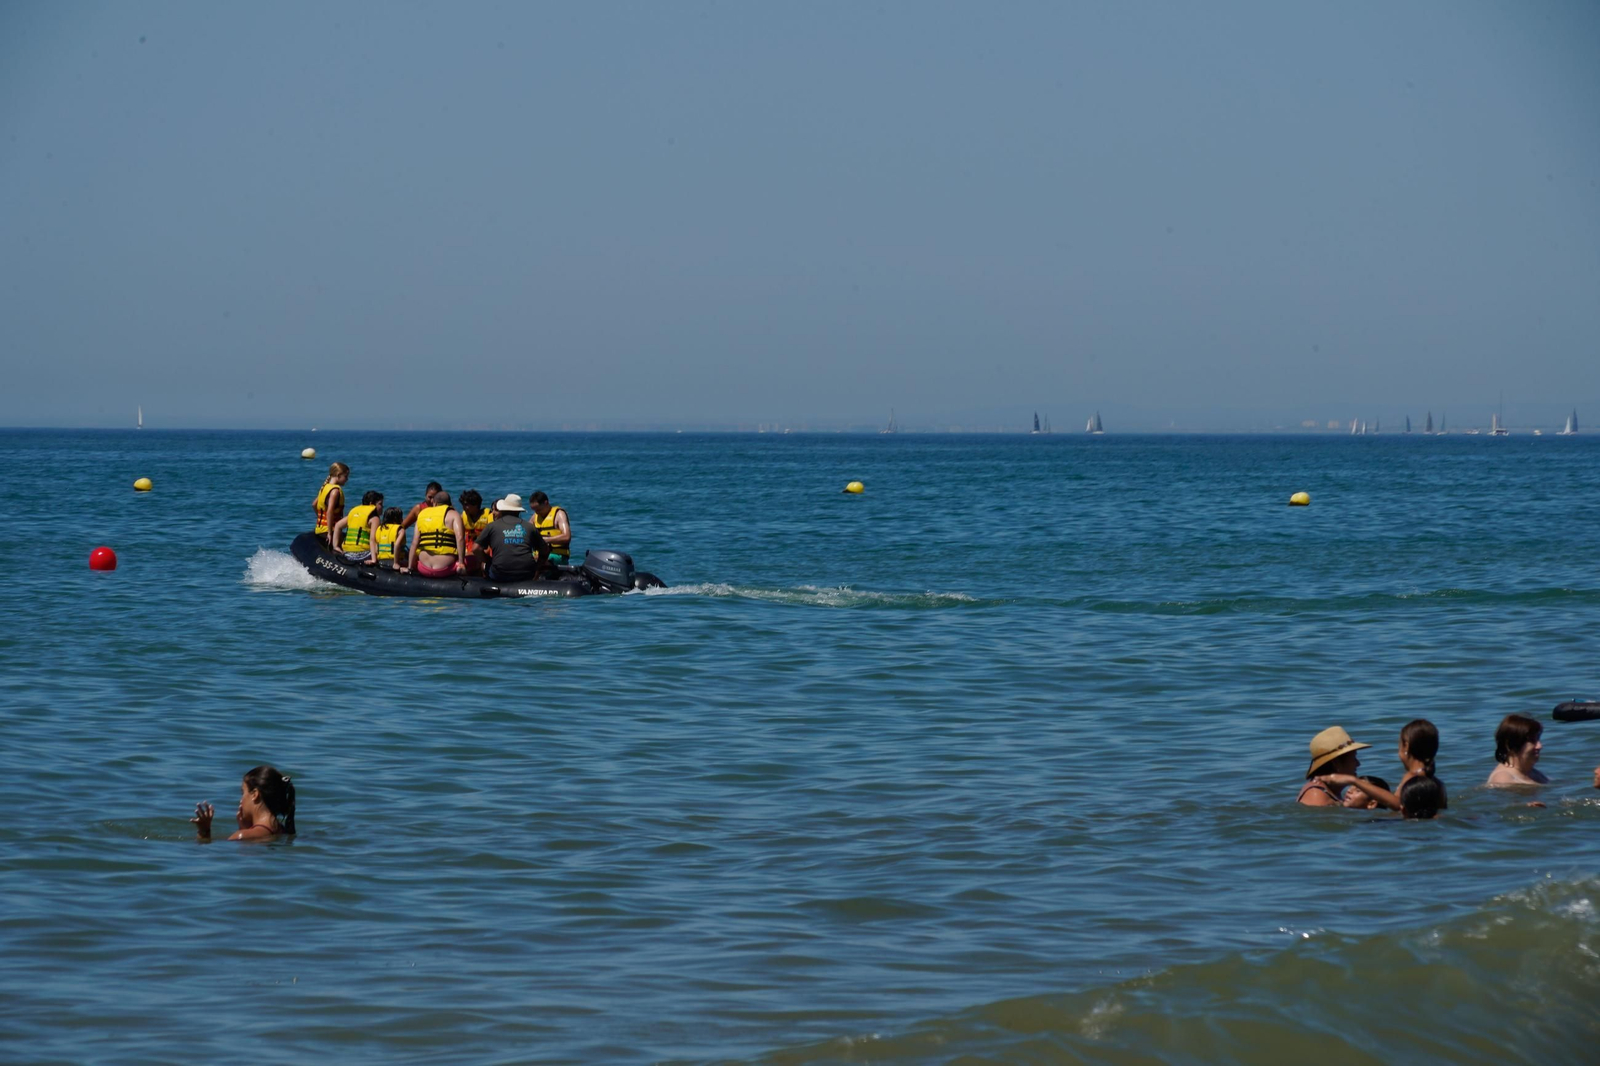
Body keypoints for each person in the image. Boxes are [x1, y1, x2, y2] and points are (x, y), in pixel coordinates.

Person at [1330, 719, 1447, 812]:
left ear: (1406, 746)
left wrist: (1354, 781)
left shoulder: (1411, 777)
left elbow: (1397, 804)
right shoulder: (1438, 783)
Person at [191, 765, 296, 841]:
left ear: (255, 794)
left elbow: (209, 859)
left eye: (243, 793)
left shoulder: (241, 836)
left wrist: (204, 832)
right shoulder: (283, 831)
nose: (241, 800)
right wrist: (245, 829)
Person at [474, 494, 552, 581]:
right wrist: (537, 569)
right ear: (519, 511)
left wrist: (489, 561)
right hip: (527, 573)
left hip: (500, 573)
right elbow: (545, 550)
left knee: (484, 566)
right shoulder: (530, 527)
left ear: (502, 509)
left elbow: (476, 548)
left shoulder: (491, 526)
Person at [1298, 726, 1370, 806]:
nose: (1358, 763)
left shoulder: (1330, 792)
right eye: (1353, 758)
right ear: (1337, 763)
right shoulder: (1317, 795)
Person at [403, 490, 466, 578]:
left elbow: (414, 543)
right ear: (449, 503)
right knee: (473, 561)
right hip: (445, 568)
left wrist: (409, 567)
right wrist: (461, 563)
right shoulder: (454, 515)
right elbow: (460, 538)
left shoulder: (422, 514)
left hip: (423, 568)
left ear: (434, 502)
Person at [1487, 713, 1548, 786]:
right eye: (1532, 741)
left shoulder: (1532, 773)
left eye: (1538, 739)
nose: (1539, 746)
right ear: (1512, 744)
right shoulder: (1503, 779)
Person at [331, 490, 383, 561]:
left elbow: (337, 526)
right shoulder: (375, 518)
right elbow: (372, 540)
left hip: (347, 554)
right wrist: (374, 560)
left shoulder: (354, 513)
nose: (382, 507)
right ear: (371, 504)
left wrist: (336, 547)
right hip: (363, 554)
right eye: (380, 504)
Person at [528, 491, 572, 569]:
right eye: (534, 510)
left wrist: (546, 540)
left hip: (557, 555)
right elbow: (526, 533)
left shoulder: (559, 514)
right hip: (538, 554)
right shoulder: (535, 516)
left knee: (539, 560)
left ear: (546, 503)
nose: (536, 512)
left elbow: (567, 537)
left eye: (538, 509)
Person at [312, 462, 349, 546]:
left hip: (319, 529)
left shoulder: (324, 487)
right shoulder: (335, 491)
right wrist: (329, 533)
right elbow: (330, 511)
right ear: (339, 475)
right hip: (331, 531)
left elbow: (314, 504)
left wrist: (320, 519)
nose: (347, 479)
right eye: (346, 476)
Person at [459, 489, 495, 575]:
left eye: (466, 505)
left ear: (475, 505)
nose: (464, 507)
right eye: (463, 505)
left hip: (484, 551)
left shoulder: (488, 515)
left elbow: (493, 538)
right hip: (469, 551)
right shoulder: (463, 516)